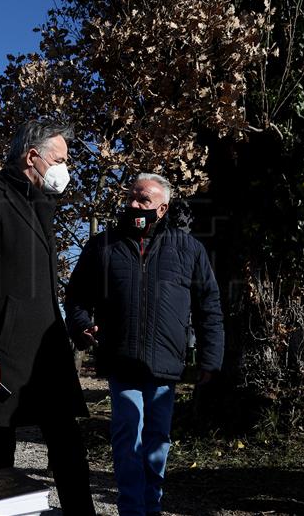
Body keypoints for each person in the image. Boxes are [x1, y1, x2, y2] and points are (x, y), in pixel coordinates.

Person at [0, 121, 95, 515]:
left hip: (48, 359)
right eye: (61, 160)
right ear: (33, 156)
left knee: (70, 454)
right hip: (2, 359)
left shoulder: (40, 205)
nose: (66, 168)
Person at [65, 173, 224, 516]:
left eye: (144, 201)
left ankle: (151, 506)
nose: (134, 205)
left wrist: (210, 358)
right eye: (132, 197)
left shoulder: (189, 249)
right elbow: (76, 295)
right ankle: (132, 510)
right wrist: (81, 325)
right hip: (121, 360)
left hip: (165, 365)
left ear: (163, 208)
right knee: (127, 439)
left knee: (157, 443)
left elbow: (208, 306)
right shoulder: (103, 245)